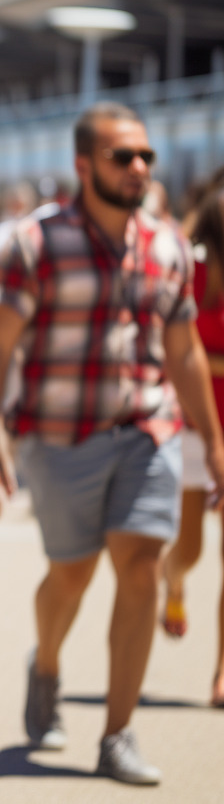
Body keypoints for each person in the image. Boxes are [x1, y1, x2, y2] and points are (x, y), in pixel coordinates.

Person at [0, 102, 224, 785]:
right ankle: (46, 665)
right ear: (84, 165)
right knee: (72, 574)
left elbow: (184, 351)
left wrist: (215, 439)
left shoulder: (168, 243)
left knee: (141, 564)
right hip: (56, 440)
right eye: (123, 156)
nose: (139, 167)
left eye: (146, 156)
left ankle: (117, 734)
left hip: (148, 430)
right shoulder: (34, 242)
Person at [160, 180, 224, 708]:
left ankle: (221, 671)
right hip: (193, 426)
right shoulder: (192, 270)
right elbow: (177, 350)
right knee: (191, 548)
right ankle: (171, 579)